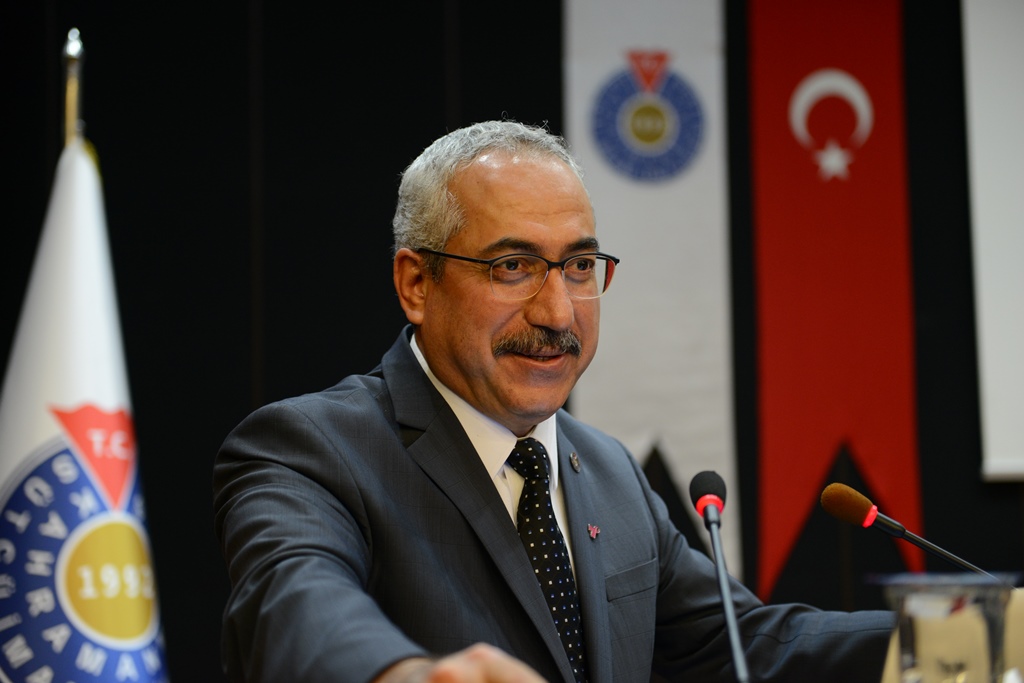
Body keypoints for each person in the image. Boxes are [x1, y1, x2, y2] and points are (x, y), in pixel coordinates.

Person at [212, 120, 895, 683]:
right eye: (513, 267)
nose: (559, 312)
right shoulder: (310, 449)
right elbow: (292, 603)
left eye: (578, 266)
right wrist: (405, 674)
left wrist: (938, 632)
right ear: (417, 283)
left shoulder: (609, 470)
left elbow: (741, 642)